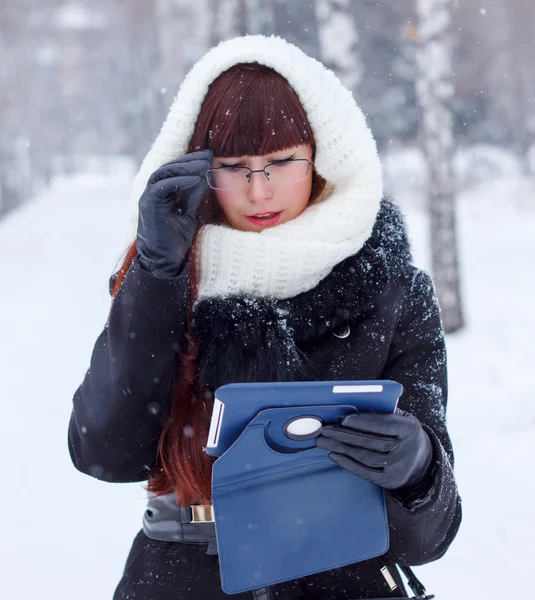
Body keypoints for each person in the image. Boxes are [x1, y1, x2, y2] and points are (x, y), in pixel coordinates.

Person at [68, 35, 462, 600]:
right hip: (184, 580)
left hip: (344, 580)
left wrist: (419, 468)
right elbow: (103, 451)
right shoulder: (170, 276)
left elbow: (431, 538)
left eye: (281, 162)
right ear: (200, 170)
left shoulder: (393, 292)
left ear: (321, 155)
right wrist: (157, 278)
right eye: (233, 167)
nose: (259, 190)